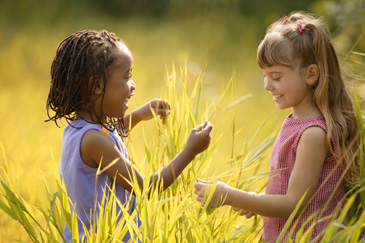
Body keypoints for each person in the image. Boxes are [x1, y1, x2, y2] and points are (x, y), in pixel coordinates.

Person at [194, 12, 361, 242]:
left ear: (311, 74)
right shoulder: (295, 121)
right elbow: (289, 189)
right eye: (265, 76)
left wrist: (230, 196)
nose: (267, 85)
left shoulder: (312, 133)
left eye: (276, 77)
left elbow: (293, 203)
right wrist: (257, 202)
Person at [46, 29, 213, 242]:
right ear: (96, 85)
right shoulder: (95, 141)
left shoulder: (79, 128)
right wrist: (191, 150)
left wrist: (139, 115)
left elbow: (110, 136)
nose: (133, 86)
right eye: (127, 76)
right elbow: (146, 188)